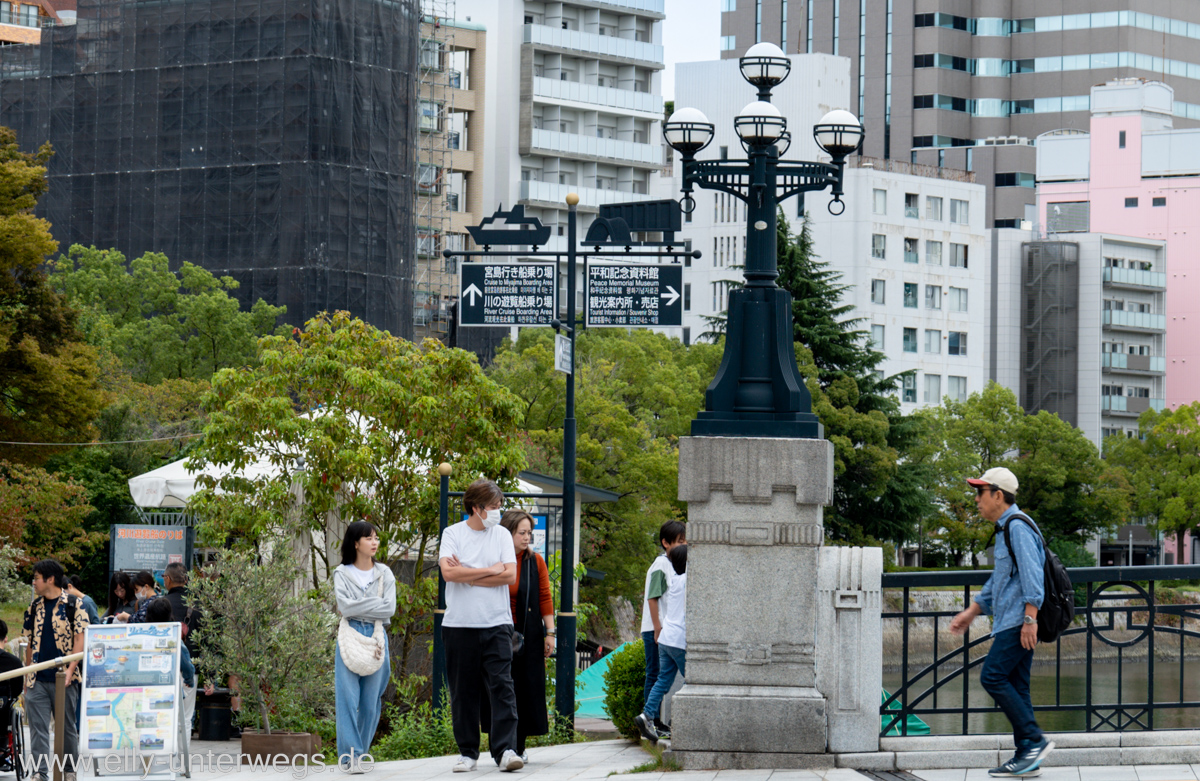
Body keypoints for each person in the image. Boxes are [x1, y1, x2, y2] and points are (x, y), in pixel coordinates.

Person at [950, 467, 1055, 778]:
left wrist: (1029, 619)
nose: (976, 500)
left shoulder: (1017, 527)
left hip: (1017, 621)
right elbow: (1001, 579)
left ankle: (1035, 740)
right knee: (1018, 686)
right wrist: (973, 610)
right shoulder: (1005, 528)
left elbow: (1033, 575)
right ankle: (1027, 756)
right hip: (1012, 619)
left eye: (980, 493)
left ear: (998, 495)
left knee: (992, 677)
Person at [438, 478, 523, 773]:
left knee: (502, 687)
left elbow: (509, 576)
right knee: (463, 690)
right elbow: (448, 573)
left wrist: (468, 574)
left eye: (500, 506)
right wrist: (487, 571)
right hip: (458, 624)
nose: (498, 511)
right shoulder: (452, 533)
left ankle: (505, 750)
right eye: (493, 507)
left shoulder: (500, 535)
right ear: (476, 508)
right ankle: (467, 752)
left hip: (497, 623)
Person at [333, 521, 397, 771]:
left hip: (377, 635)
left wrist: (357, 604)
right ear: (356, 542)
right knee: (347, 699)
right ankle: (350, 757)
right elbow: (345, 608)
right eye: (369, 538)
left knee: (371, 702)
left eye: (376, 537)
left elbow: (389, 608)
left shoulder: (385, 573)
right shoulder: (342, 573)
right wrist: (373, 603)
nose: (374, 542)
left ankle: (361, 753)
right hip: (350, 634)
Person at [22, 559, 88, 781]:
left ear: (50, 579)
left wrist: (70, 670)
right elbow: (30, 644)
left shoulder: (74, 604)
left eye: (36, 578)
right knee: (38, 729)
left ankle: (69, 770)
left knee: (67, 728)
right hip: (37, 679)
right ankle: (40, 772)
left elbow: (80, 640)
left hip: (65, 679)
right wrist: (27, 675)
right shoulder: (34, 608)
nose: (34, 582)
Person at [498, 510, 554, 762]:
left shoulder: (536, 561)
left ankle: (518, 746)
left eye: (529, 533)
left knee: (526, 686)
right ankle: (502, 745)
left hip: (528, 633)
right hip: (497, 630)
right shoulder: (496, 559)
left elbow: (544, 597)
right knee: (501, 686)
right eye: (522, 532)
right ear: (507, 532)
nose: (527, 537)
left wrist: (549, 633)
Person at [634, 544, 687, 745]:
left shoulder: (673, 580)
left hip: (666, 639)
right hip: (680, 640)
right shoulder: (687, 581)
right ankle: (681, 717)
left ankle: (647, 716)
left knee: (663, 680)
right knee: (694, 679)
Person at [143, 597, 196, 755]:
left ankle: (148, 756)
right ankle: (178, 758)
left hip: (146, 689)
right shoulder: (173, 637)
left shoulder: (143, 637)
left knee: (149, 722)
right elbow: (186, 665)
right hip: (169, 689)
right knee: (178, 722)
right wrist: (188, 681)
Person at [162, 563, 202, 656]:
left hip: (166, 662)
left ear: (168, 579)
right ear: (186, 580)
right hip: (194, 664)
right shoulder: (199, 605)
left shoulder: (160, 604)